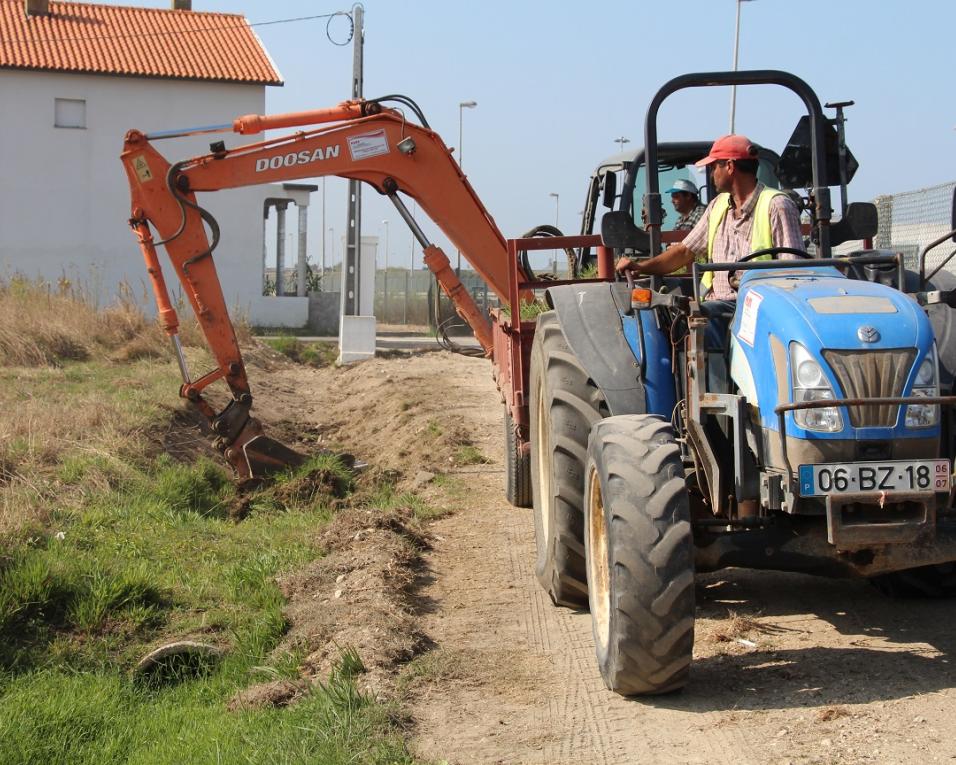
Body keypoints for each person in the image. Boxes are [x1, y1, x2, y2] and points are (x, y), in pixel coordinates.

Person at [616, 134, 804, 301]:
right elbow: (684, 252)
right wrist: (640, 267)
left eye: (714, 166)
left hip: (757, 308)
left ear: (729, 166)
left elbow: (793, 273)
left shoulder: (776, 205)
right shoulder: (717, 206)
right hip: (717, 303)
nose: (712, 173)